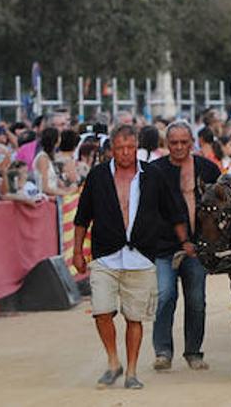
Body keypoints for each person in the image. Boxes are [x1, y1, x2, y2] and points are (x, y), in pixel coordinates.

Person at [73, 124, 193, 391]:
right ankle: (113, 361)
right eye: (119, 148)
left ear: (137, 147)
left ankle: (131, 371)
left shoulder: (153, 176)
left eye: (130, 148)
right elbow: (82, 217)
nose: (125, 153)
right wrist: (77, 251)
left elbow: (173, 211)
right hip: (105, 255)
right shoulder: (97, 176)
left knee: (134, 317)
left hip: (140, 256)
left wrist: (185, 241)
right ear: (111, 149)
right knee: (102, 311)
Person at [149, 120, 219, 371]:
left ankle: (193, 352)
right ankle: (163, 351)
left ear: (192, 143)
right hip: (164, 248)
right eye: (174, 143)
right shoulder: (154, 172)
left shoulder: (208, 169)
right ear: (166, 144)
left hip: (198, 250)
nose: (179, 147)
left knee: (196, 300)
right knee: (165, 296)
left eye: (183, 142)